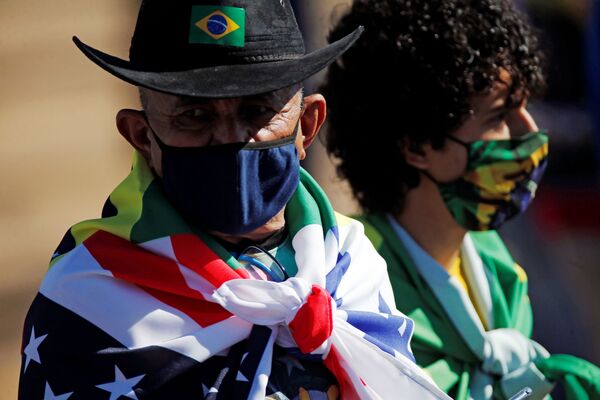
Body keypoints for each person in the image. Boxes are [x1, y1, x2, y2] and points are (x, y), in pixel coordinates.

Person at [18, 1, 451, 399]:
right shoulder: (87, 300)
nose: (230, 139)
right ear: (142, 137)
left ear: (307, 124)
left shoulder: (353, 262)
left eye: (259, 111)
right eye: (195, 116)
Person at [322, 0, 600, 399]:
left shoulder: (497, 267)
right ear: (417, 145)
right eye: (500, 117)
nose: (531, 131)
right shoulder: (355, 294)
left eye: (526, 106)